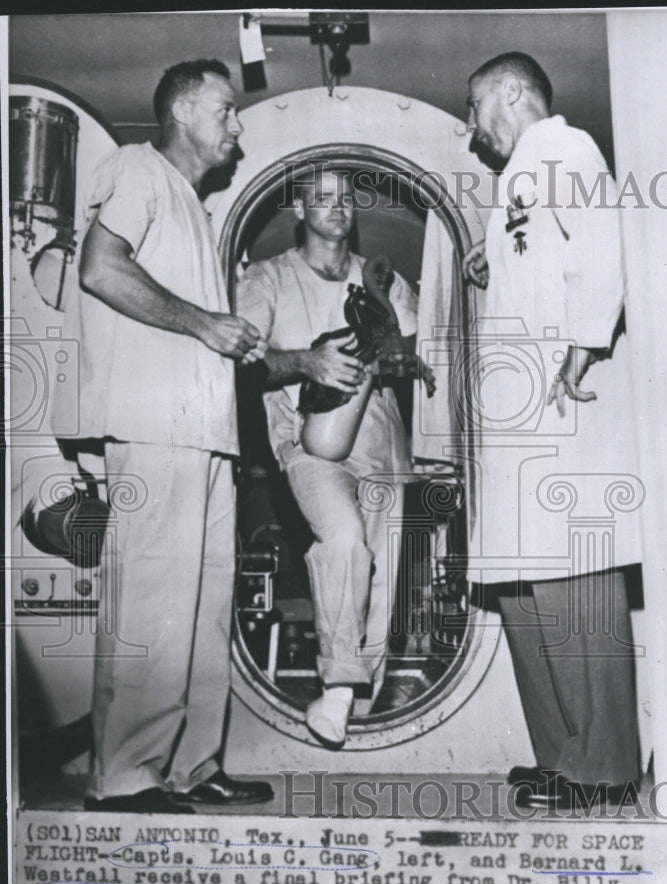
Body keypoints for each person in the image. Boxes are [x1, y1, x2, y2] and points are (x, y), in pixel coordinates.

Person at [53, 60, 274, 813]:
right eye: (227, 109)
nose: (235, 126)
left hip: (204, 437)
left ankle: (190, 766)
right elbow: (99, 270)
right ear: (182, 109)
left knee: (205, 608)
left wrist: (236, 341)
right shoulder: (136, 169)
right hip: (152, 429)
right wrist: (206, 322)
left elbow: (197, 328)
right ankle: (122, 775)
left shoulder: (193, 209)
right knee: (152, 603)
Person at [463, 53, 643, 809]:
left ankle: (602, 768)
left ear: (510, 93)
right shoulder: (518, 179)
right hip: (520, 413)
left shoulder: (563, 146)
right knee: (518, 585)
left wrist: (581, 340)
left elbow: (603, 244)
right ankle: (562, 754)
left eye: (475, 106)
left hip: (563, 399)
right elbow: (543, 255)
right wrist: (490, 261)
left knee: (574, 579)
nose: (474, 127)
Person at [236, 168, 424, 748]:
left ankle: (351, 708)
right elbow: (245, 361)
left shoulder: (384, 281)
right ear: (300, 208)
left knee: (382, 572)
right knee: (343, 540)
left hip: (382, 447)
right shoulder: (266, 278)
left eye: (346, 198)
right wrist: (310, 364)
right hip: (310, 446)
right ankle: (342, 684)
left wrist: (396, 351)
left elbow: (420, 357)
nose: (336, 207)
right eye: (321, 197)